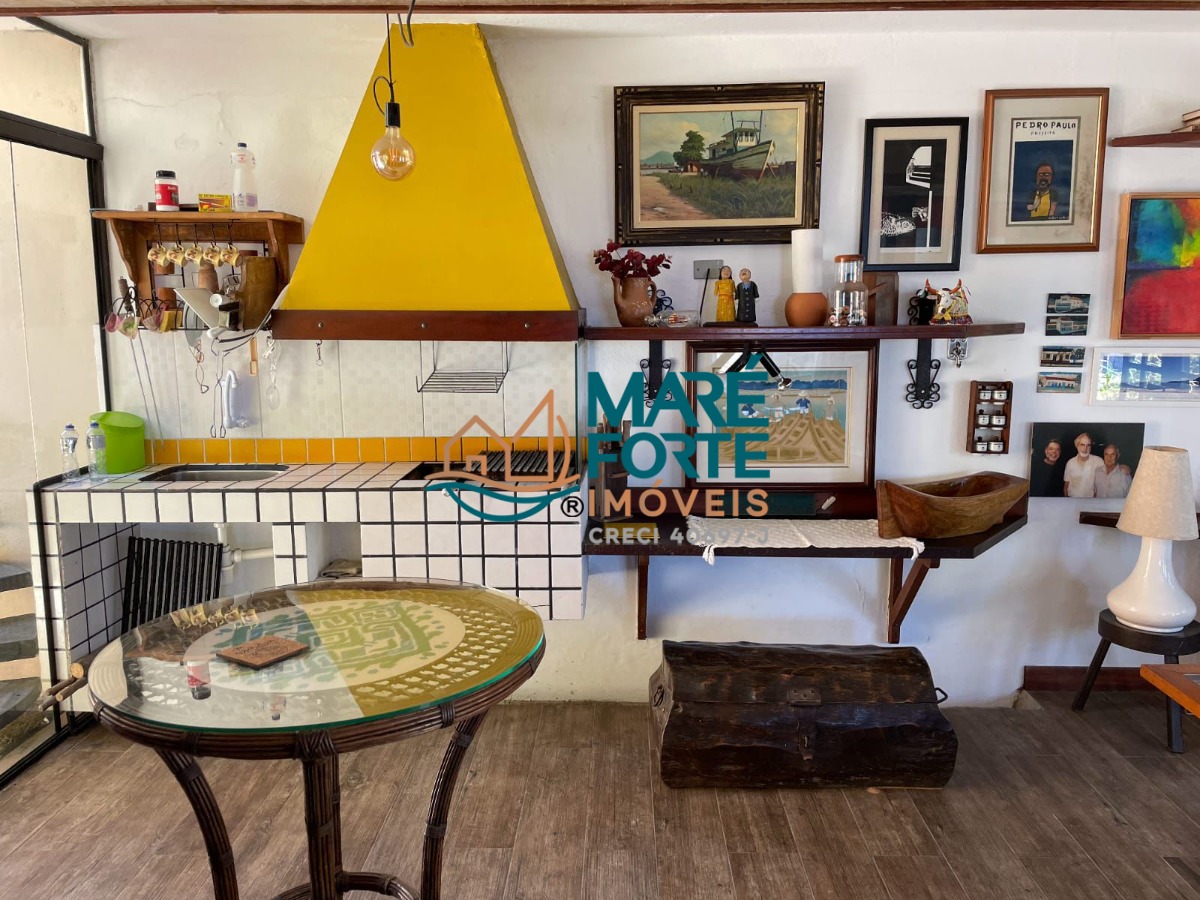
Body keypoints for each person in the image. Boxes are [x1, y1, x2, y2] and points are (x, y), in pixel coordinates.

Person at [1063, 432, 1104, 497]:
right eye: (1082, 445)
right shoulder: (1070, 462)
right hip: (1072, 500)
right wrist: (1066, 500)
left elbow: (1103, 485)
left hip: (1090, 501)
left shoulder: (1098, 461)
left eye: (1088, 445)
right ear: (1077, 446)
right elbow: (1066, 485)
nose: (1085, 448)